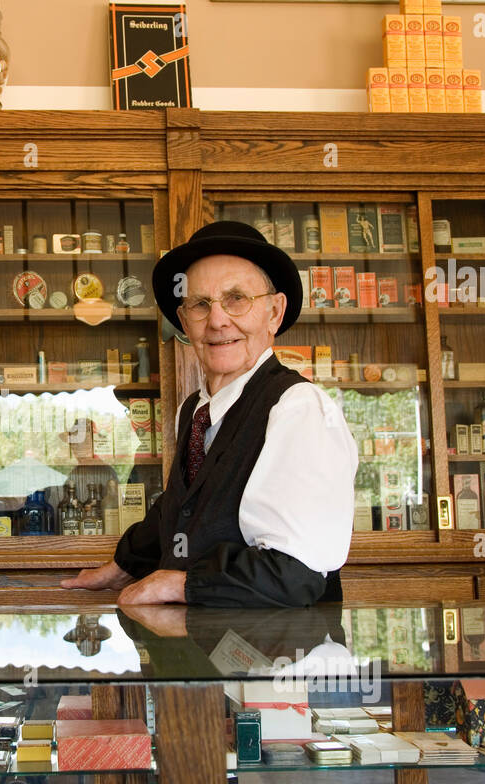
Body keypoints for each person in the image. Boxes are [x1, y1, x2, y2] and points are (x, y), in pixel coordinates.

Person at [62, 220, 357, 606]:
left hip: (282, 656)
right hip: (205, 650)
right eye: (200, 304)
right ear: (185, 322)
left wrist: (177, 584)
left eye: (237, 299)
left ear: (274, 312)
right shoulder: (196, 409)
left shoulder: (299, 409)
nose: (217, 320)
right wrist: (123, 565)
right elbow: (183, 507)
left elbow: (294, 575)